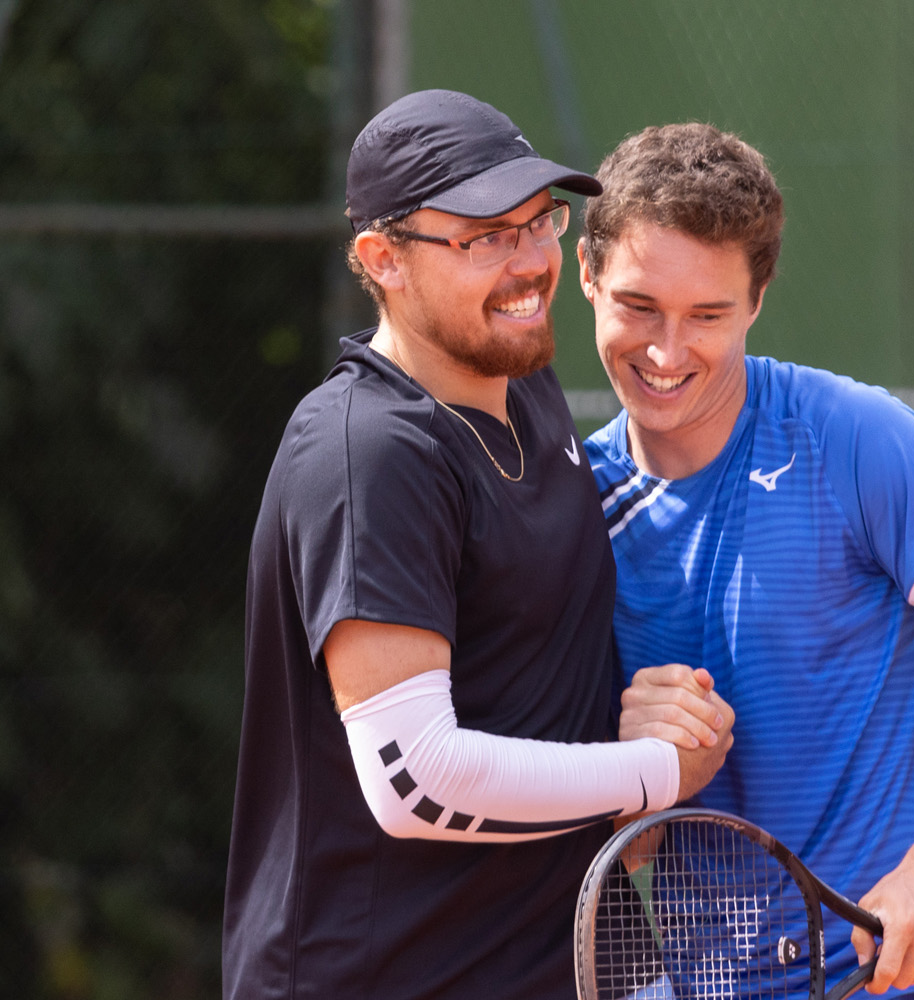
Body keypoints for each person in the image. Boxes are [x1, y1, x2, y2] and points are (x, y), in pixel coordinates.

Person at [221, 92, 733, 1000]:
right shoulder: (369, 452)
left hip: (572, 962)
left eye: (539, 221)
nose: (531, 261)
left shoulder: (522, 384)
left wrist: (639, 714)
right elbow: (414, 779)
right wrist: (657, 770)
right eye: (485, 237)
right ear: (383, 259)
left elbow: (524, 662)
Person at [577, 123, 914, 999]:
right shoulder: (574, 512)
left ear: (758, 299)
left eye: (707, 316)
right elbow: (626, 846)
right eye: (639, 306)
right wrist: (640, 768)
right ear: (587, 274)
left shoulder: (858, 437)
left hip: (911, 980)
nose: (666, 351)